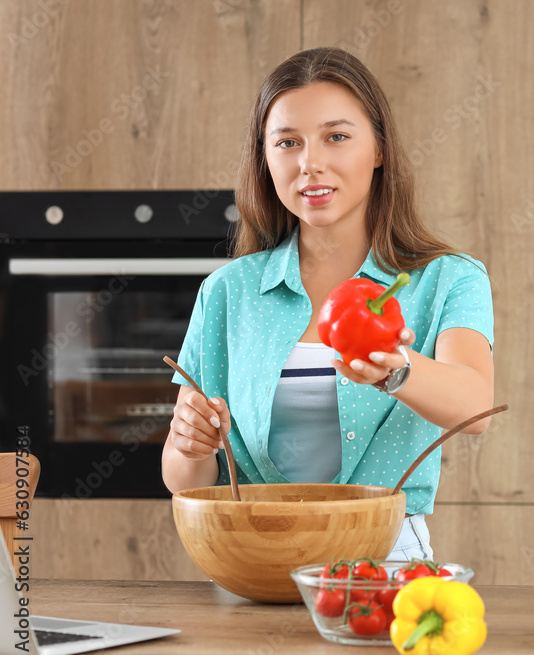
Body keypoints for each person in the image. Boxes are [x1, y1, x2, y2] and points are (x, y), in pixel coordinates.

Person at [161, 47, 495, 562]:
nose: (309, 163)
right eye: (287, 142)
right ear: (265, 158)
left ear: (379, 149)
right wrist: (190, 444)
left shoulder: (447, 279)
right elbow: (183, 479)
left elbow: (476, 409)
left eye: (336, 137)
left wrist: (396, 368)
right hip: (251, 553)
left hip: (386, 555)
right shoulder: (228, 291)